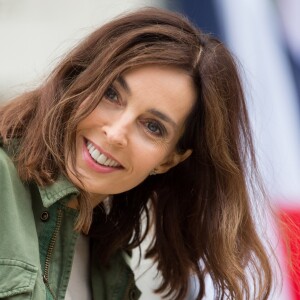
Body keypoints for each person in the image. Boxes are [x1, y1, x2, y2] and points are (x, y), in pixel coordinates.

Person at [0, 7, 273, 300]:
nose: (116, 133)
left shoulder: (109, 260)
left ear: (169, 159)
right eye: (111, 94)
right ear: (79, 79)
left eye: (153, 127)